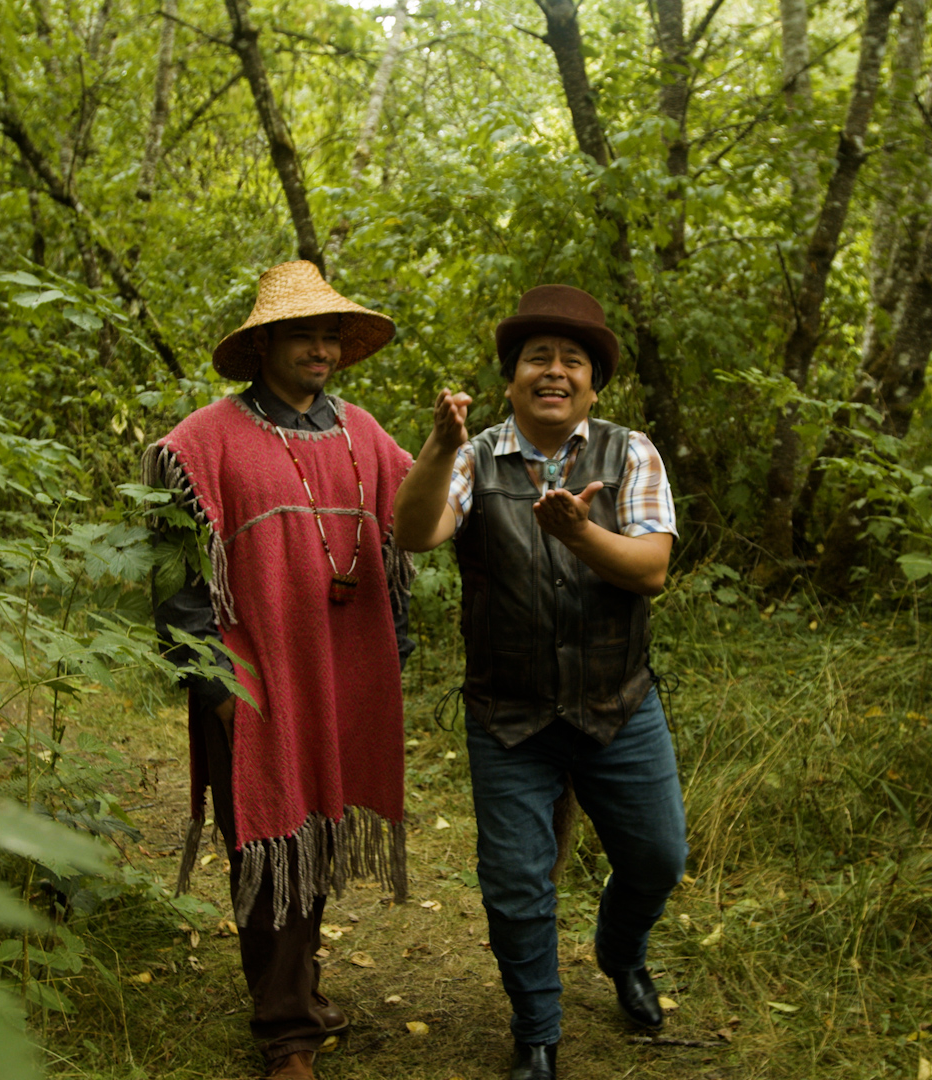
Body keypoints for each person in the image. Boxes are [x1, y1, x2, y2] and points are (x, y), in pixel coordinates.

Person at [392, 285, 688, 1080]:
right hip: (509, 712)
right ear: (511, 377)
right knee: (516, 881)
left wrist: (583, 533)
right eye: (537, 359)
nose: (553, 372)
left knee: (658, 857)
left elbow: (652, 570)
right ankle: (537, 1033)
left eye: (571, 361)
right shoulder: (474, 455)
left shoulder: (631, 452)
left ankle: (620, 953)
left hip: (617, 704)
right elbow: (416, 533)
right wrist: (436, 447)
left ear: (594, 383)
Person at [144, 260, 413, 1080]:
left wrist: (392, 649)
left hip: (342, 673)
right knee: (265, 839)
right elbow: (176, 576)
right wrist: (216, 686)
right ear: (263, 344)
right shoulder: (202, 442)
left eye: (331, 334)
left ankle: (297, 992)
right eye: (304, 333)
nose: (322, 348)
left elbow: (419, 525)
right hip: (252, 681)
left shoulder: (362, 433)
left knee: (318, 834)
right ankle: (285, 1034)